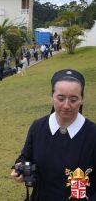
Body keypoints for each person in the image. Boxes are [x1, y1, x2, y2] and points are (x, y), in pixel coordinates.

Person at [11, 69, 96, 200]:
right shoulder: (38, 127)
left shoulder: (92, 134)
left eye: (73, 99)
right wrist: (20, 170)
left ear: (82, 99)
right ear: (52, 97)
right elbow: (25, 157)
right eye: (60, 98)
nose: (66, 105)